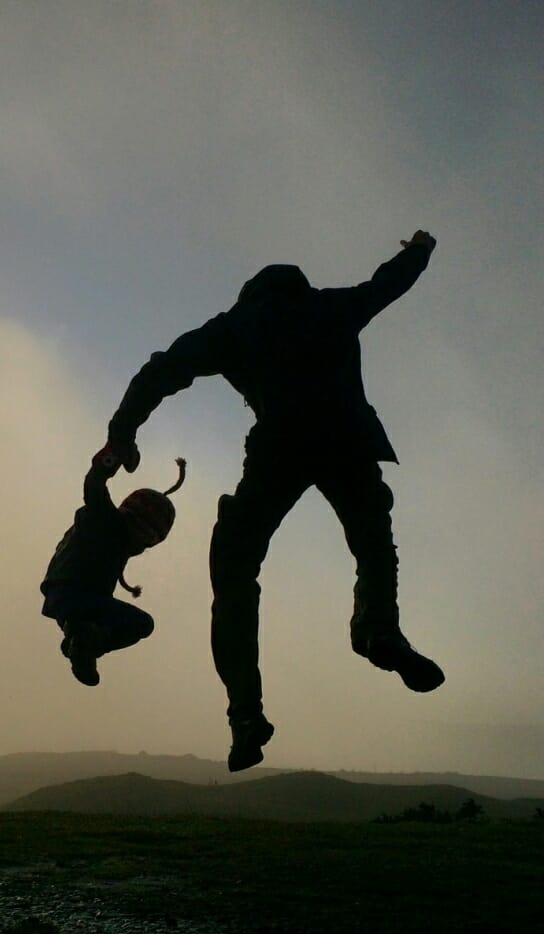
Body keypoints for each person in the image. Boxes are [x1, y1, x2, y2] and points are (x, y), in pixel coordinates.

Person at [105, 231, 444, 771]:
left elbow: (162, 368)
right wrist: (420, 250)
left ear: (251, 294)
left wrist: (124, 429)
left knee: (235, 570)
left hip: (279, 447)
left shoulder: (237, 325)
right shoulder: (330, 305)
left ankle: (245, 711)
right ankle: (379, 628)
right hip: (350, 443)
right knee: (374, 544)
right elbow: (388, 285)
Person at [41, 451, 186, 686]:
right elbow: (94, 486)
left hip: (65, 599)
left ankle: (81, 639)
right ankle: (85, 642)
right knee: (142, 624)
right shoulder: (106, 521)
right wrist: (112, 455)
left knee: (128, 623)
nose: (141, 549)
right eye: (146, 542)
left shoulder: (112, 532)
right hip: (79, 595)